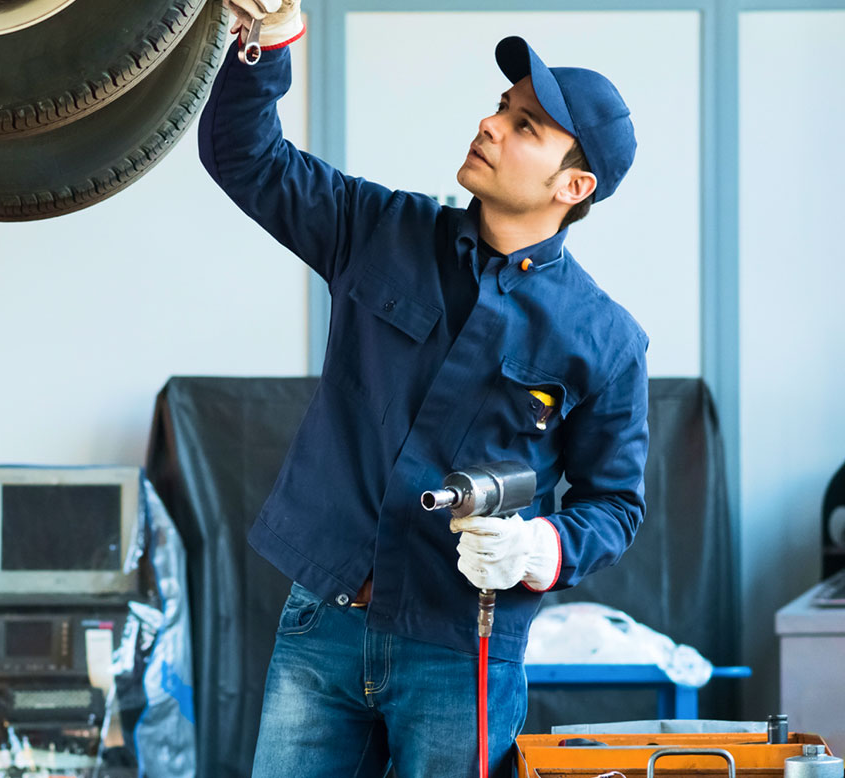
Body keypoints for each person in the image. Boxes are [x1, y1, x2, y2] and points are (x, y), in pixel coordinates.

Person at [200, 1, 650, 775]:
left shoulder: (604, 340)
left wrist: (540, 547)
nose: (491, 124)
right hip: (324, 623)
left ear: (573, 185)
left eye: (526, 127)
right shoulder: (379, 231)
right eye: (504, 108)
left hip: (460, 650)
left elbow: (617, 504)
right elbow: (245, 157)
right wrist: (266, 41)